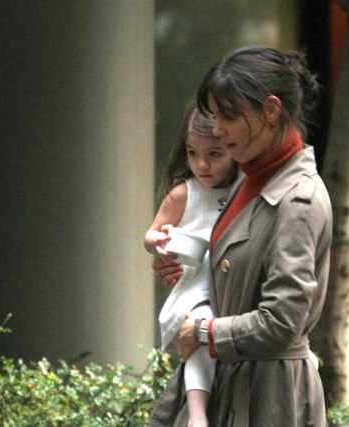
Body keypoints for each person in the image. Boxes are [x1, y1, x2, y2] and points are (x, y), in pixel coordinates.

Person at [148, 46, 332, 426]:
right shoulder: (247, 180)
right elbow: (238, 273)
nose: (217, 130)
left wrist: (204, 331)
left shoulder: (297, 199)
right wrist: (189, 270)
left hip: (270, 396)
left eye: (229, 116)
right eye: (215, 116)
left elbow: (281, 323)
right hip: (230, 381)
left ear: (271, 110)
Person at [144, 105, 237, 427]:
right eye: (192, 153)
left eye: (214, 154)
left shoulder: (243, 190)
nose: (202, 165)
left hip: (228, 290)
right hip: (195, 288)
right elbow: (151, 234)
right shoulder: (184, 193)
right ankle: (197, 414)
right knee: (201, 330)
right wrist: (159, 244)